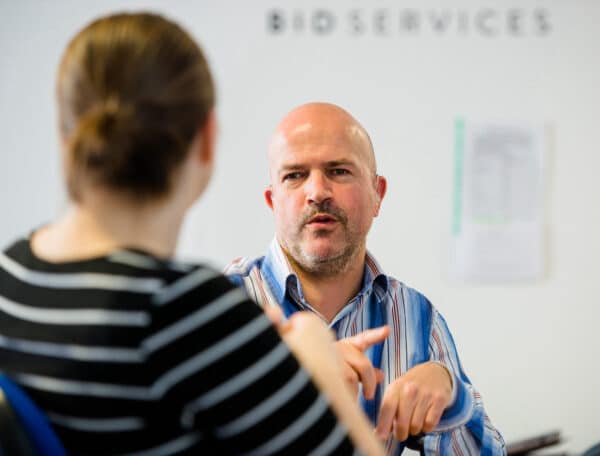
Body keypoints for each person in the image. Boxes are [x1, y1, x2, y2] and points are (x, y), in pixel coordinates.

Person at [0, 14, 383, 456]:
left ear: (66, 136)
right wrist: (319, 370)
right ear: (207, 140)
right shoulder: (184, 310)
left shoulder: (11, 273)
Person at [226, 102, 507, 455]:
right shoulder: (224, 306)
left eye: (339, 171)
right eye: (294, 175)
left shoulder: (415, 319)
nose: (317, 191)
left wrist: (451, 395)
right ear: (273, 201)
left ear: (378, 195)